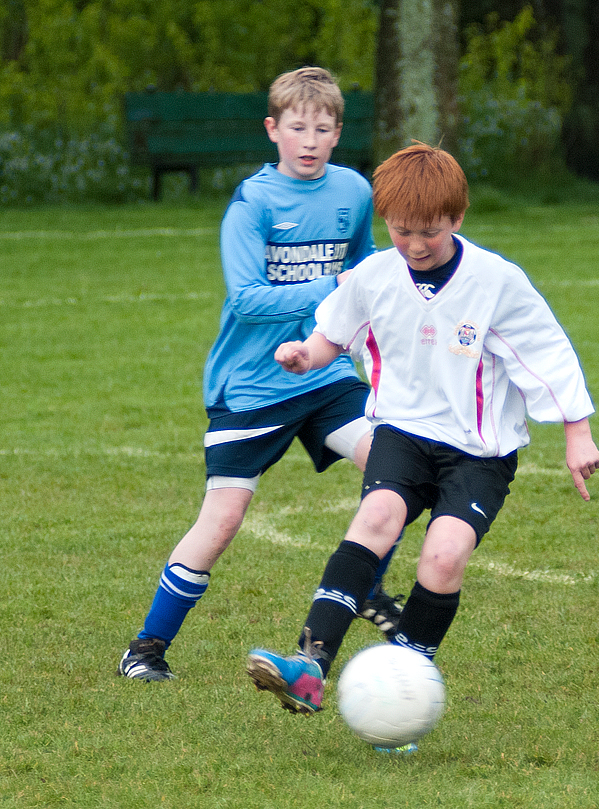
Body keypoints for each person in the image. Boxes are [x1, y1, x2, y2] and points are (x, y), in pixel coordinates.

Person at [246, 143, 599, 737]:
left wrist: (577, 432)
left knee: (444, 555)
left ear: (457, 219)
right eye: (403, 230)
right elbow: (332, 334)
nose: (415, 244)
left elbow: (547, 354)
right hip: (402, 432)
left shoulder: (497, 282)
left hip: (479, 450)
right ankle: (309, 666)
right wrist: (304, 356)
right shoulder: (372, 278)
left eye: (430, 233)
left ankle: (404, 686)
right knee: (377, 516)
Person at [117, 67, 402, 683]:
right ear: (273, 129)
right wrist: (334, 285)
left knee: (396, 466)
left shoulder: (353, 191)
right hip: (250, 385)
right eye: (297, 127)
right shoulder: (253, 203)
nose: (309, 139)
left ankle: (369, 589)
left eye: (322, 129)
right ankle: (145, 649)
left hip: (324, 376)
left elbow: (361, 267)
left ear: (337, 134)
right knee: (221, 520)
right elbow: (248, 299)